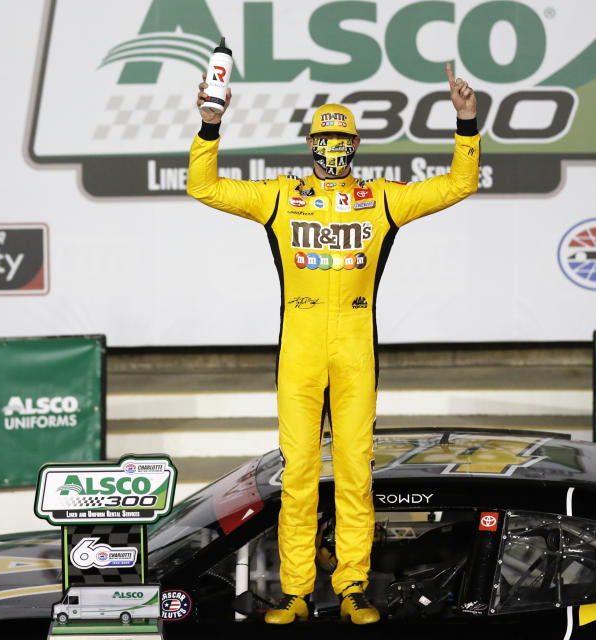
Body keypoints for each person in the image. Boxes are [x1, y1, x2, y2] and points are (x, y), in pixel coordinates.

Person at [187, 63, 479, 625]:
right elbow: (204, 186)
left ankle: (352, 587)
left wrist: (466, 123)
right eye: (324, 140)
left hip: (353, 349)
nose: (333, 149)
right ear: (310, 145)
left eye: (342, 140)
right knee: (296, 476)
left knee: (354, 472)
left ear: (356, 145)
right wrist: (209, 127)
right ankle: (296, 592)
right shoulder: (279, 197)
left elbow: (458, 184)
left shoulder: (382, 198)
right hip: (298, 348)